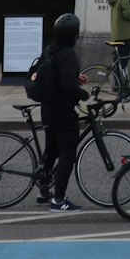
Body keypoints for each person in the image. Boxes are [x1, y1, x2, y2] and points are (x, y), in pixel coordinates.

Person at [37, 12, 90, 212]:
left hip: (47, 108)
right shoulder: (68, 53)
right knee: (68, 153)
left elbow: (56, 77)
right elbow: (67, 86)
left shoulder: (51, 49)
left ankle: (43, 192)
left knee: (51, 150)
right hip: (62, 111)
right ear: (73, 35)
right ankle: (58, 200)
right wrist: (82, 94)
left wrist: (76, 77)